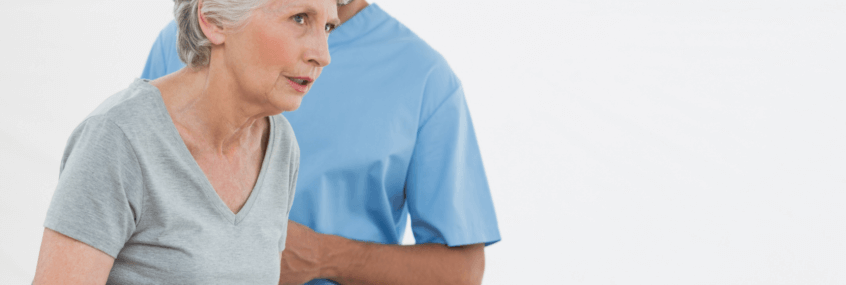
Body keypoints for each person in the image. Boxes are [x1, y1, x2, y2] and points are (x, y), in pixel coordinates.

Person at [141, 0, 501, 284]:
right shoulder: (196, 33)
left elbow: (462, 272)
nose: (319, 54)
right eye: (300, 20)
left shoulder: (424, 76)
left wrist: (321, 256)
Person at [33, 0, 341, 283]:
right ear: (214, 21)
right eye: (299, 18)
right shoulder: (118, 139)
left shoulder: (280, 143)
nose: (323, 55)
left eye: (328, 27)